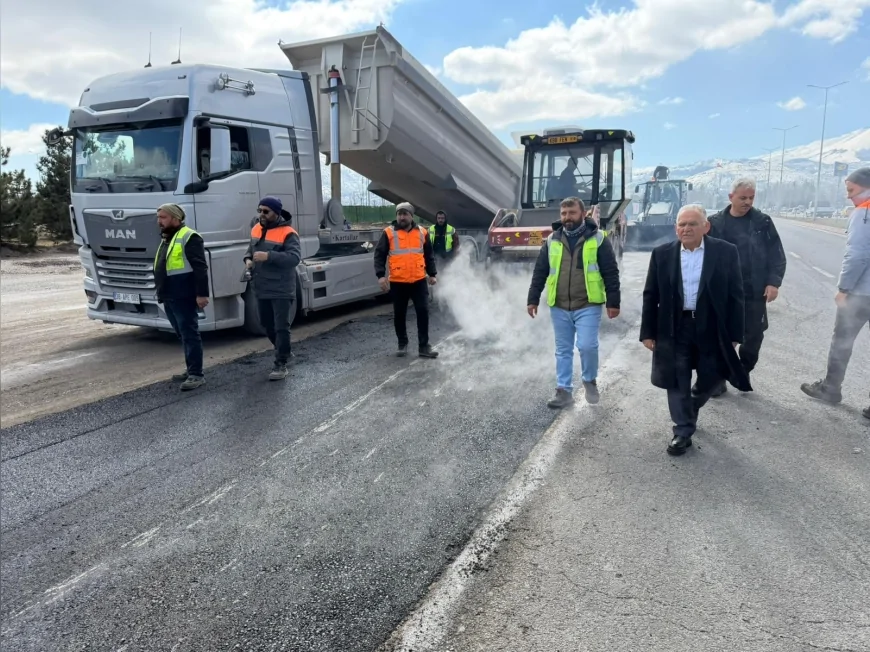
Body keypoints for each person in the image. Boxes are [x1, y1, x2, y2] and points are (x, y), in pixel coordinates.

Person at [640, 205, 751, 456]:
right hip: (674, 326)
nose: (686, 229)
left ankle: (690, 405)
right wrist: (647, 332)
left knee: (713, 374)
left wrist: (736, 334)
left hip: (710, 326)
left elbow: (737, 295)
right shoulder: (662, 254)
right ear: (675, 228)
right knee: (676, 378)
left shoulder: (725, 252)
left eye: (692, 224)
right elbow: (651, 295)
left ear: (706, 227)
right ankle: (682, 430)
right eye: (682, 224)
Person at [527, 196, 621, 408]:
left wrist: (613, 302)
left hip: (588, 304)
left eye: (572, 213)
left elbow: (610, 272)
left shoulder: (598, 239)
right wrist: (532, 299)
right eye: (564, 214)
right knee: (563, 349)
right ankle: (564, 391)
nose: (567, 218)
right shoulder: (552, 240)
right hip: (559, 305)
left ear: (583, 214)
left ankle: (589, 380)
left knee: (587, 346)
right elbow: (540, 271)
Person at [800, 167, 870, 419]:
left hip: (862, 294)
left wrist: (844, 289)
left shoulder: (864, 213)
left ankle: (831, 388)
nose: (849, 196)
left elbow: (858, 255)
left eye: (851, 190)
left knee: (842, 341)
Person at [706, 178, 787, 395]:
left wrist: (773, 282)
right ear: (731, 197)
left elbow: (776, 254)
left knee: (753, 335)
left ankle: (743, 368)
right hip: (722, 291)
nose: (748, 202)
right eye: (743, 198)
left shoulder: (763, 222)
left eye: (751, 198)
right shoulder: (714, 223)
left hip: (753, 289)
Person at [243, 197, 301, 381]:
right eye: (259, 210)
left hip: (282, 287)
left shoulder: (288, 233)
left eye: (266, 211)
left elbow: (293, 258)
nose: (261, 214)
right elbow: (249, 250)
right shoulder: (255, 228)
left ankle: (281, 363)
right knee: (266, 324)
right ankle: (285, 351)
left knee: (281, 327)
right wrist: (248, 259)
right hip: (261, 286)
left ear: (276, 213)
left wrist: (268, 256)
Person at [154, 203, 210, 391]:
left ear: (176, 219)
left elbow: (200, 267)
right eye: (158, 217)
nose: (159, 221)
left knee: (189, 333)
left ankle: (196, 374)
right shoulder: (167, 238)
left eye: (163, 217)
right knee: (182, 334)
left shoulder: (189, 237)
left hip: (183, 294)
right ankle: (191, 368)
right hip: (170, 295)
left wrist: (202, 294)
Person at [373, 202, 439, 358]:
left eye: (405, 214)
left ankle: (424, 347)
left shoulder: (422, 232)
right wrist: (381, 276)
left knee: (423, 311)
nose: (401, 217)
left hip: (418, 280)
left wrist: (432, 274)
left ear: (411, 216)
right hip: (398, 281)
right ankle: (402, 344)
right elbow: (379, 255)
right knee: (399, 314)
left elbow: (429, 255)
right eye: (399, 214)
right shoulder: (389, 233)